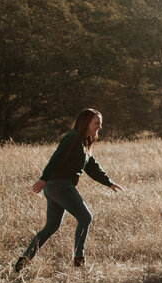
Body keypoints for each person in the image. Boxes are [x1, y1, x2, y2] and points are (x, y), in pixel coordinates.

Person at [15, 108, 123, 270]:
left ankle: (25, 260)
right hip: (60, 186)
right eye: (97, 123)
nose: (100, 127)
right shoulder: (73, 137)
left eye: (100, 123)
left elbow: (93, 167)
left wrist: (109, 183)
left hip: (55, 187)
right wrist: (44, 178)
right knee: (86, 217)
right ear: (86, 122)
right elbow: (57, 157)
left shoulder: (85, 142)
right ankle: (78, 259)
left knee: (51, 226)